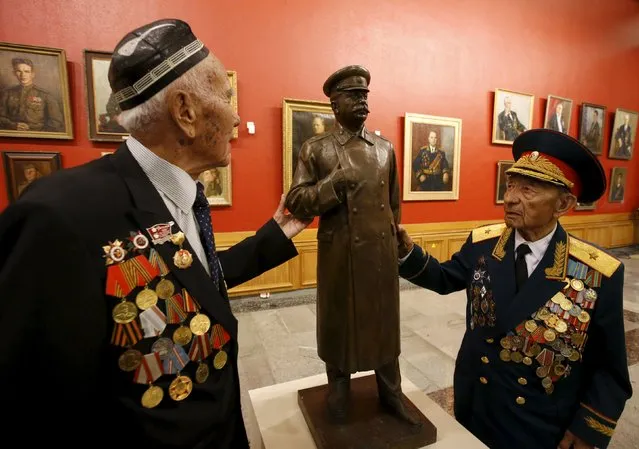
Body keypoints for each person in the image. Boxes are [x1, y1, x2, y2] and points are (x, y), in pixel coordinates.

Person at [0, 19, 310, 448]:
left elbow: (189, 283)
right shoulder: (58, 216)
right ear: (186, 112)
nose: (236, 115)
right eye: (226, 96)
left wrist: (280, 231)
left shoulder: (178, 195)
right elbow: (33, 402)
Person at [396, 129, 632, 449]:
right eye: (510, 185)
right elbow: (443, 278)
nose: (509, 198)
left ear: (563, 203)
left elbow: (610, 369)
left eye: (528, 189)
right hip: (476, 403)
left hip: (538, 422)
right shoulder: (483, 244)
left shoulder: (596, 273)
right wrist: (406, 253)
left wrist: (589, 429)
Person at [285, 65, 418, 425]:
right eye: (354, 96)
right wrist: (333, 185)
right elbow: (296, 201)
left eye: (365, 97)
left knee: (385, 321)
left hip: (380, 253)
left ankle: (391, 393)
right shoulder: (317, 149)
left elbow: (393, 205)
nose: (362, 102)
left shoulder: (385, 148)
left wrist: (395, 239)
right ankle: (338, 390)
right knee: (338, 320)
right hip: (339, 254)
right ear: (335, 104)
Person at [0, 57, 64, 132]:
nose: (22, 75)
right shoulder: (6, 93)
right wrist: (13, 126)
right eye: (18, 71)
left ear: (32, 74)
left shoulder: (45, 95)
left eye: (26, 71)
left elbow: (56, 122)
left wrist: (34, 131)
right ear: (14, 73)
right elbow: (1, 117)